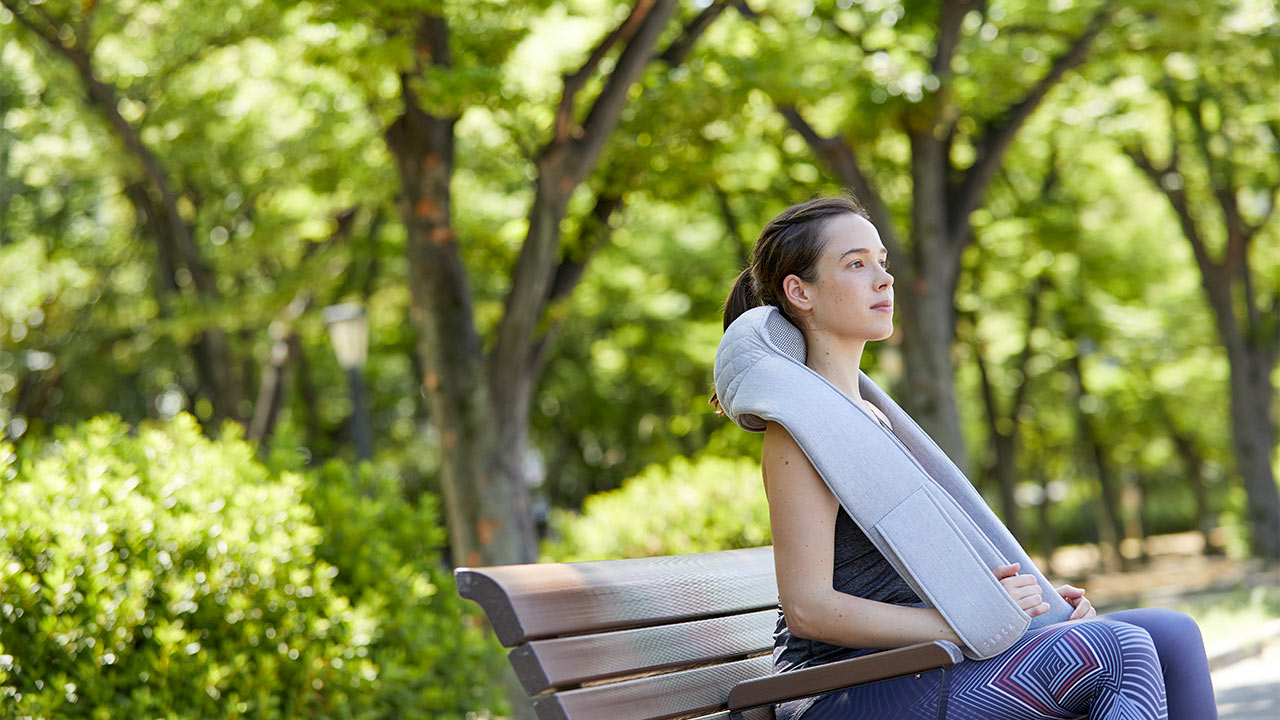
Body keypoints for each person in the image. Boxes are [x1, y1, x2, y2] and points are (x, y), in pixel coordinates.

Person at [715, 197, 1217, 720]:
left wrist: (1029, 607)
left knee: (1171, 636)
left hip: (921, 664)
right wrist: (972, 621)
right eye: (856, 264)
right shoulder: (796, 431)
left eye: (882, 261)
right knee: (1117, 652)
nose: (884, 279)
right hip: (842, 686)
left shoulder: (874, 415)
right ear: (801, 292)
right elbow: (808, 608)